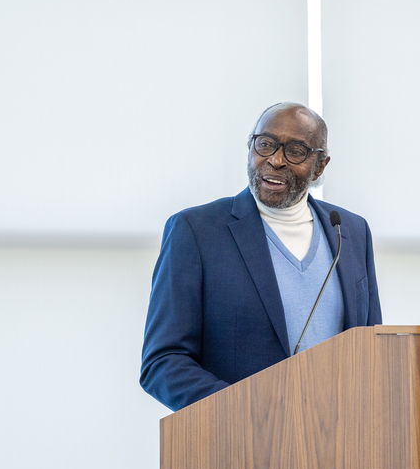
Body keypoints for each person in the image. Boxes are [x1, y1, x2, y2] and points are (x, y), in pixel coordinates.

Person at [140, 103, 382, 411]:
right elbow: (163, 362)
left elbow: (373, 355)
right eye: (265, 144)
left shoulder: (350, 231)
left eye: (296, 151)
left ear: (320, 166)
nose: (275, 160)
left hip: (340, 435)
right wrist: (248, 413)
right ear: (250, 147)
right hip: (239, 435)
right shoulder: (196, 231)